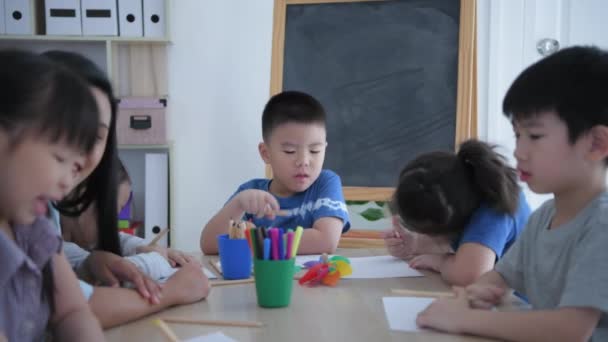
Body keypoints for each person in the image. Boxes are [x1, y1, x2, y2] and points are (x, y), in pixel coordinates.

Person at [416, 46, 608, 341]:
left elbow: (570, 330)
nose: (519, 151)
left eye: (535, 136)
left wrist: (462, 319)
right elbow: (502, 276)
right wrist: (475, 294)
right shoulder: (545, 215)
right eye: (517, 135)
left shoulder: (601, 224)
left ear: (596, 144)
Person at [44, 50, 210, 328]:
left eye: (95, 136)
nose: (77, 152)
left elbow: (66, 294)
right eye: (61, 127)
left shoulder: (39, 213)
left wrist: (90, 263)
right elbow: (72, 309)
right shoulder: (26, 211)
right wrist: (172, 292)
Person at [0, 49, 104, 341]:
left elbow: (73, 312)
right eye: (59, 158)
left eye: (74, 167)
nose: (67, 182)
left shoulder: (34, 229)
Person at [201, 91, 350, 255]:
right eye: (290, 151)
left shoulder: (325, 183)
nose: (304, 161)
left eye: (314, 151)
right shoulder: (250, 194)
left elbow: (326, 241)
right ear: (266, 153)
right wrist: (237, 205)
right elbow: (208, 244)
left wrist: (255, 239)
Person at [384, 139, 530, 285]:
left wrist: (441, 262)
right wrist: (415, 244)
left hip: (526, 304)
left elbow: (471, 275)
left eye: (431, 234)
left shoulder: (495, 208)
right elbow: (466, 243)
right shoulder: (468, 193)